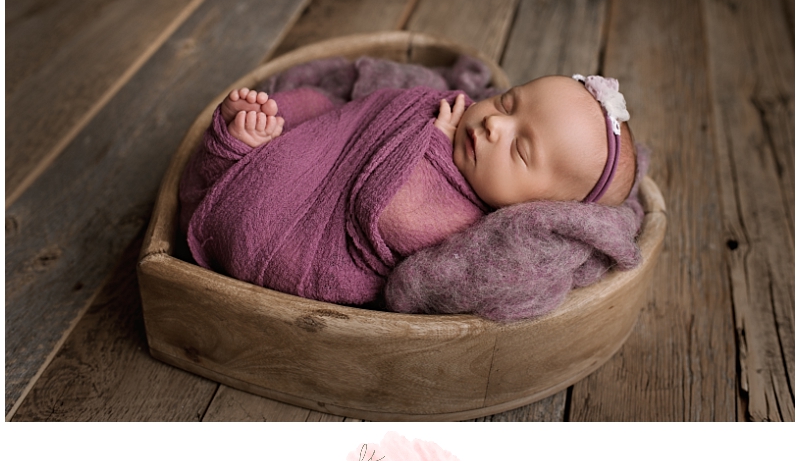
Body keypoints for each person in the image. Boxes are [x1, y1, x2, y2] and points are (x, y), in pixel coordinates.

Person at [179, 69, 636, 305]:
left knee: (268, 192)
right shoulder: (459, 117)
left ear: (536, 208)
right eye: (508, 101)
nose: (495, 123)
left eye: (520, 150)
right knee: (315, 105)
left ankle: (237, 160)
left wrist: (435, 144)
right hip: (329, 154)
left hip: (297, 235)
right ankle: (250, 137)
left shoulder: (470, 224)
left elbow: (393, 213)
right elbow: (364, 115)